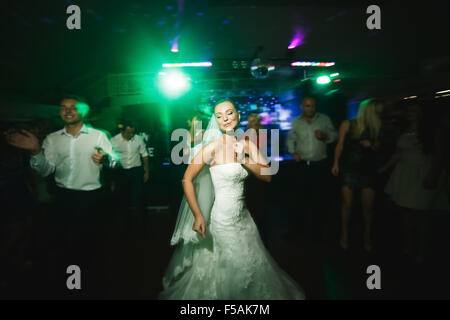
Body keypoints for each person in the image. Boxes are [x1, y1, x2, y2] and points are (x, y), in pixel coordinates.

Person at [159, 100, 304, 300]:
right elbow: (187, 179)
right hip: (222, 219)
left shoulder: (246, 144)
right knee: (232, 265)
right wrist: (198, 215)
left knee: (250, 263)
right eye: (219, 116)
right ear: (216, 121)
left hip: (244, 219)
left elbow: (267, 175)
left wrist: (243, 159)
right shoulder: (211, 148)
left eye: (229, 113)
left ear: (237, 116)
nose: (225, 119)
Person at [5, 94, 117, 294]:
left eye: (73, 107)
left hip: (93, 198)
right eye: (63, 107)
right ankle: (74, 286)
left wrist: (106, 159)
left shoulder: (98, 135)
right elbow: (45, 170)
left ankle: (95, 285)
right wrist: (35, 151)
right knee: (68, 244)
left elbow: (116, 161)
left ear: (83, 111)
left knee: (93, 243)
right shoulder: (52, 139)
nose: (68, 111)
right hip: (64, 198)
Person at [381, 101, 450, 263]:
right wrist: (382, 169)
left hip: (422, 173)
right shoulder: (404, 130)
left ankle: (422, 249)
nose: (411, 113)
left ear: (421, 112)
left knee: (421, 214)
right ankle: (409, 246)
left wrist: (433, 175)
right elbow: (398, 154)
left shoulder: (433, 131)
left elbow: (439, 156)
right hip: (404, 174)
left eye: (415, 110)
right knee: (406, 212)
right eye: (409, 110)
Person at [332, 98, 383, 252]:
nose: (377, 113)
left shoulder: (376, 126)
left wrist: (371, 145)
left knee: (368, 207)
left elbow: (380, 149)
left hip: (368, 168)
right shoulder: (348, 124)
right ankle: (345, 233)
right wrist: (335, 163)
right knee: (347, 204)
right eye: (374, 110)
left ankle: (366, 236)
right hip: (350, 167)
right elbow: (339, 144)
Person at [287, 96, 337, 242]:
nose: (311, 108)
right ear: (302, 106)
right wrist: (293, 151)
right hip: (302, 166)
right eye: (308, 106)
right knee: (299, 200)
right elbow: (291, 138)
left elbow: (335, 135)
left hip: (319, 166)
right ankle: (297, 232)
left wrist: (326, 135)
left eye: (313, 106)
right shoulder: (296, 122)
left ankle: (316, 233)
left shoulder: (324, 119)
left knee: (319, 200)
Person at [111, 121, 149, 233]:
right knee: (122, 200)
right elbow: (111, 160)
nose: (130, 135)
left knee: (138, 199)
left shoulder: (139, 139)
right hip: (121, 172)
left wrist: (146, 171)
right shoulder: (114, 141)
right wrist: (113, 180)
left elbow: (145, 155)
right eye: (128, 132)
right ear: (122, 131)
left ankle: (140, 227)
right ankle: (122, 227)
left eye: (132, 132)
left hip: (136, 171)